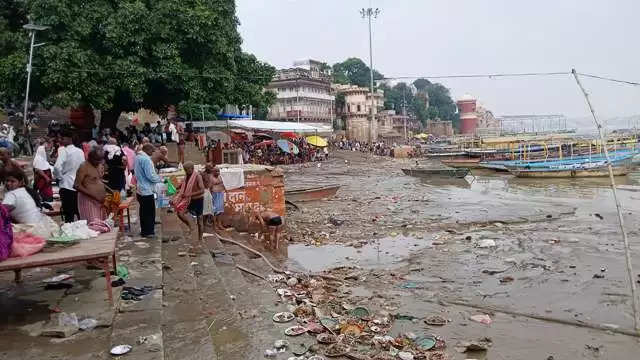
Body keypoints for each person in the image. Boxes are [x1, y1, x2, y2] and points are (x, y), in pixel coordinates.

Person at [2, 169, 58, 238]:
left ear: (20, 183)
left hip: (32, 231)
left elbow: (2, 212)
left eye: (12, 181)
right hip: (43, 229)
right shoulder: (24, 191)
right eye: (7, 181)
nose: (8, 183)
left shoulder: (11, 195)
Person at [53, 131, 85, 222]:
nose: (60, 140)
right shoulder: (80, 151)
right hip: (78, 185)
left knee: (69, 215)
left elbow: (56, 167)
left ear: (69, 139)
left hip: (67, 185)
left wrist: (60, 177)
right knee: (79, 212)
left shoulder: (64, 150)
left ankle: (70, 232)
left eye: (62, 138)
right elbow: (82, 167)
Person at [170, 161, 204, 241]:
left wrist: (189, 194)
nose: (185, 171)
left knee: (200, 220)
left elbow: (202, 190)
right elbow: (182, 185)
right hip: (188, 200)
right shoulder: (186, 176)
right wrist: (174, 188)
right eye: (184, 170)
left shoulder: (197, 176)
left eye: (187, 169)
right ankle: (191, 226)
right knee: (180, 213)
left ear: (192, 169)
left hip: (198, 200)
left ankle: (200, 239)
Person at [134, 143, 163, 238]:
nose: (153, 152)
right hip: (146, 189)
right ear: (147, 150)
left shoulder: (138, 157)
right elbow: (151, 176)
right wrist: (161, 179)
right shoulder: (146, 159)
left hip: (140, 188)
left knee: (143, 211)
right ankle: (149, 232)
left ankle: (144, 230)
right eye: (152, 151)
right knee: (149, 211)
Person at [74, 148, 107, 222]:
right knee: (93, 226)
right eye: (97, 160)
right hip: (88, 201)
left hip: (100, 201)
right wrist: (95, 196)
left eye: (100, 160)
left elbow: (97, 180)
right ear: (90, 158)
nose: (99, 162)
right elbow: (76, 185)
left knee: (102, 225)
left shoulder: (99, 165)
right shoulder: (84, 166)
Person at [210, 166, 226, 231]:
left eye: (218, 171)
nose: (218, 172)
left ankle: (219, 224)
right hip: (214, 195)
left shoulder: (219, 176)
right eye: (216, 171)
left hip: (220, 193)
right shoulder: (211, 178)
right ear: (213, 172)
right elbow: (210, 187)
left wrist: (224, 190)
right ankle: (214, 225)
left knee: (220, 210)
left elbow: (222, 184)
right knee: (215, 211)